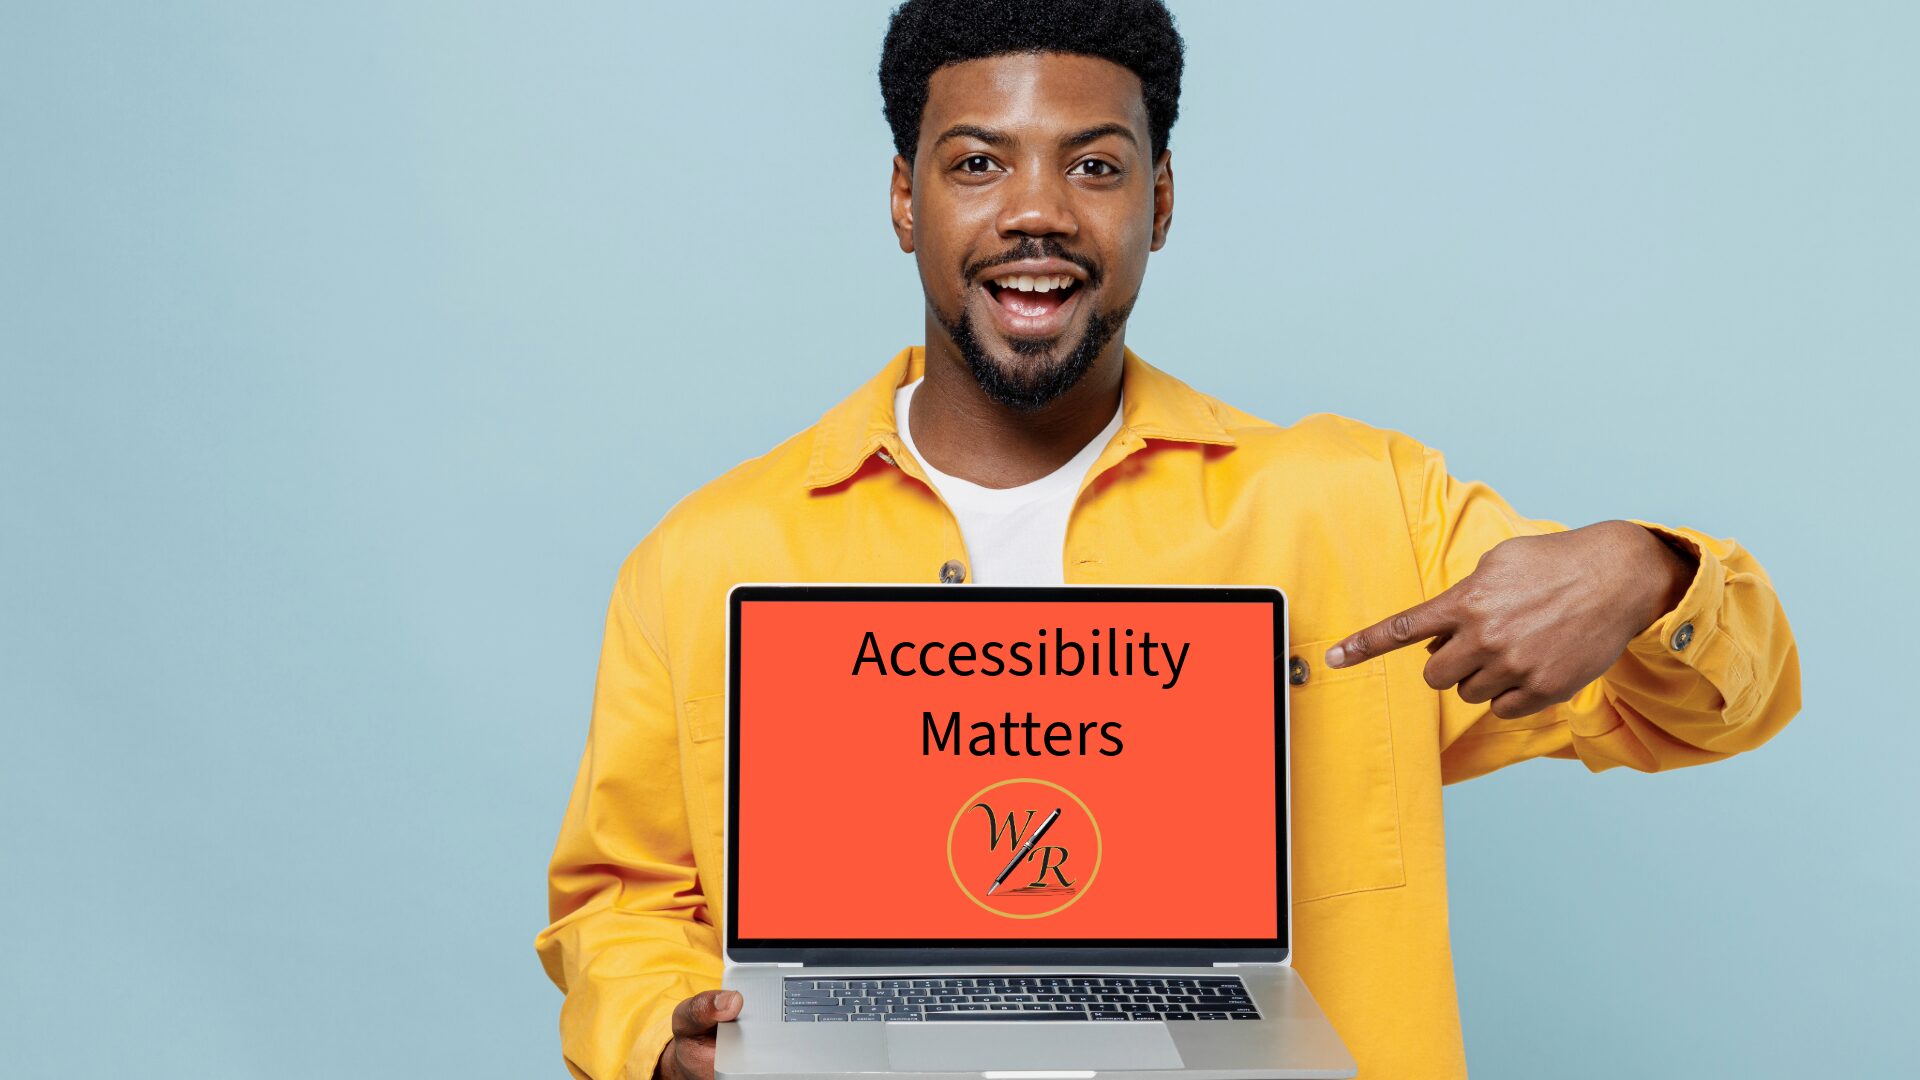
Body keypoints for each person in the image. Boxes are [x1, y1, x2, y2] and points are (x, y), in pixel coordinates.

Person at [534, 2, 1802, 1077]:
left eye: (1094, 166)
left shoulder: (1361, 508)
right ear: (904, 201)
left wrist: (1649, 571)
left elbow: (1710, 711)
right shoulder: (708, 557)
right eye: (978, 163)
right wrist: (659, 1029)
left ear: (1162, 200)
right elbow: (621, 902)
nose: (1037, 212)